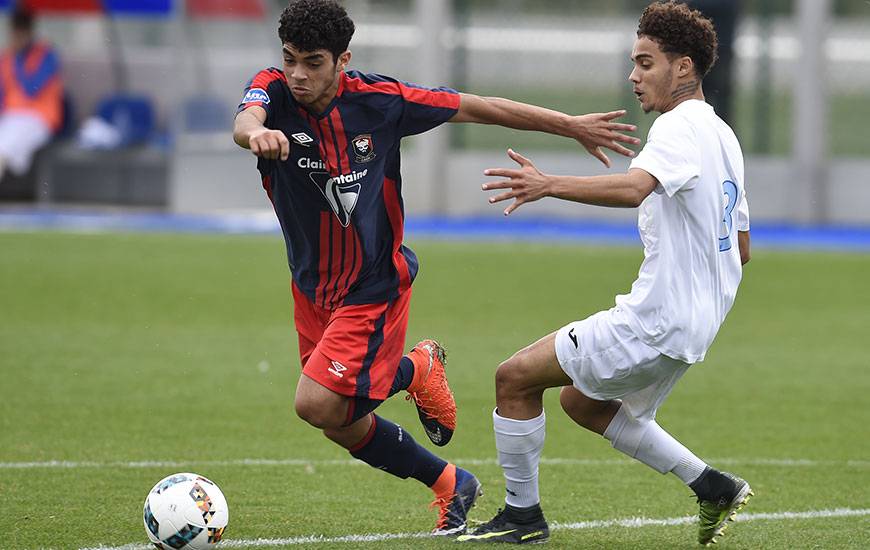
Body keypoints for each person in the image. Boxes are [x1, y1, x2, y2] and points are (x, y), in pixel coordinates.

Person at [232, 0, 639, 536]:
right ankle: (450, 480)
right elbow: (246, 118)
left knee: (315, 403)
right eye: (290, 60)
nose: (298, 74)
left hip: (372, 283)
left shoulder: (381, 102)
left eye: (312, 62)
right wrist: (253, 134)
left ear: (342, 60)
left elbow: (479, 106)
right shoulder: (274, 90)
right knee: (341, 424)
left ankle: (415, 368)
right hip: (311, 286)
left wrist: (568, 125)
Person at [458, 1, 751, 545]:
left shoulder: (678, 126)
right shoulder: (724, 137)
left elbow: (634, 187)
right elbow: (742, 246)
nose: (633, 77)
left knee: (513, 378)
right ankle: (712, 485)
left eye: (645, 63)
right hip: (695, 327)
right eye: (633, 64)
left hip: (657, 321)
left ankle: (523, 519)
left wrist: (549, 184)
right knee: (581, 401)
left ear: (683, 67)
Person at [0, 6, 63, 181]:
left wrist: (19, 59)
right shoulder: (6, 57)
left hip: (38, 118)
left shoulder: (47, 55)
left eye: (20, 33)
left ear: (29, 32)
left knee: (2, 150)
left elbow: (31, 90)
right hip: (10, 118)